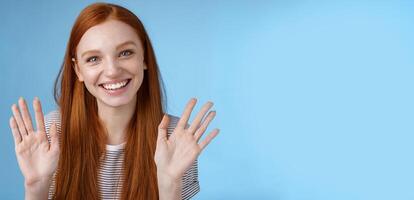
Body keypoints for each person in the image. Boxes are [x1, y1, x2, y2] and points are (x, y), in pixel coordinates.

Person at [8, 3, 219, 200]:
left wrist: (169, 183)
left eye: (125, 53)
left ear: (144, 58)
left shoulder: (175, 138)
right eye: (93, 59)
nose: (112, 71)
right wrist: (36, 185)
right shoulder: (54, 133)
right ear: (78, 70)